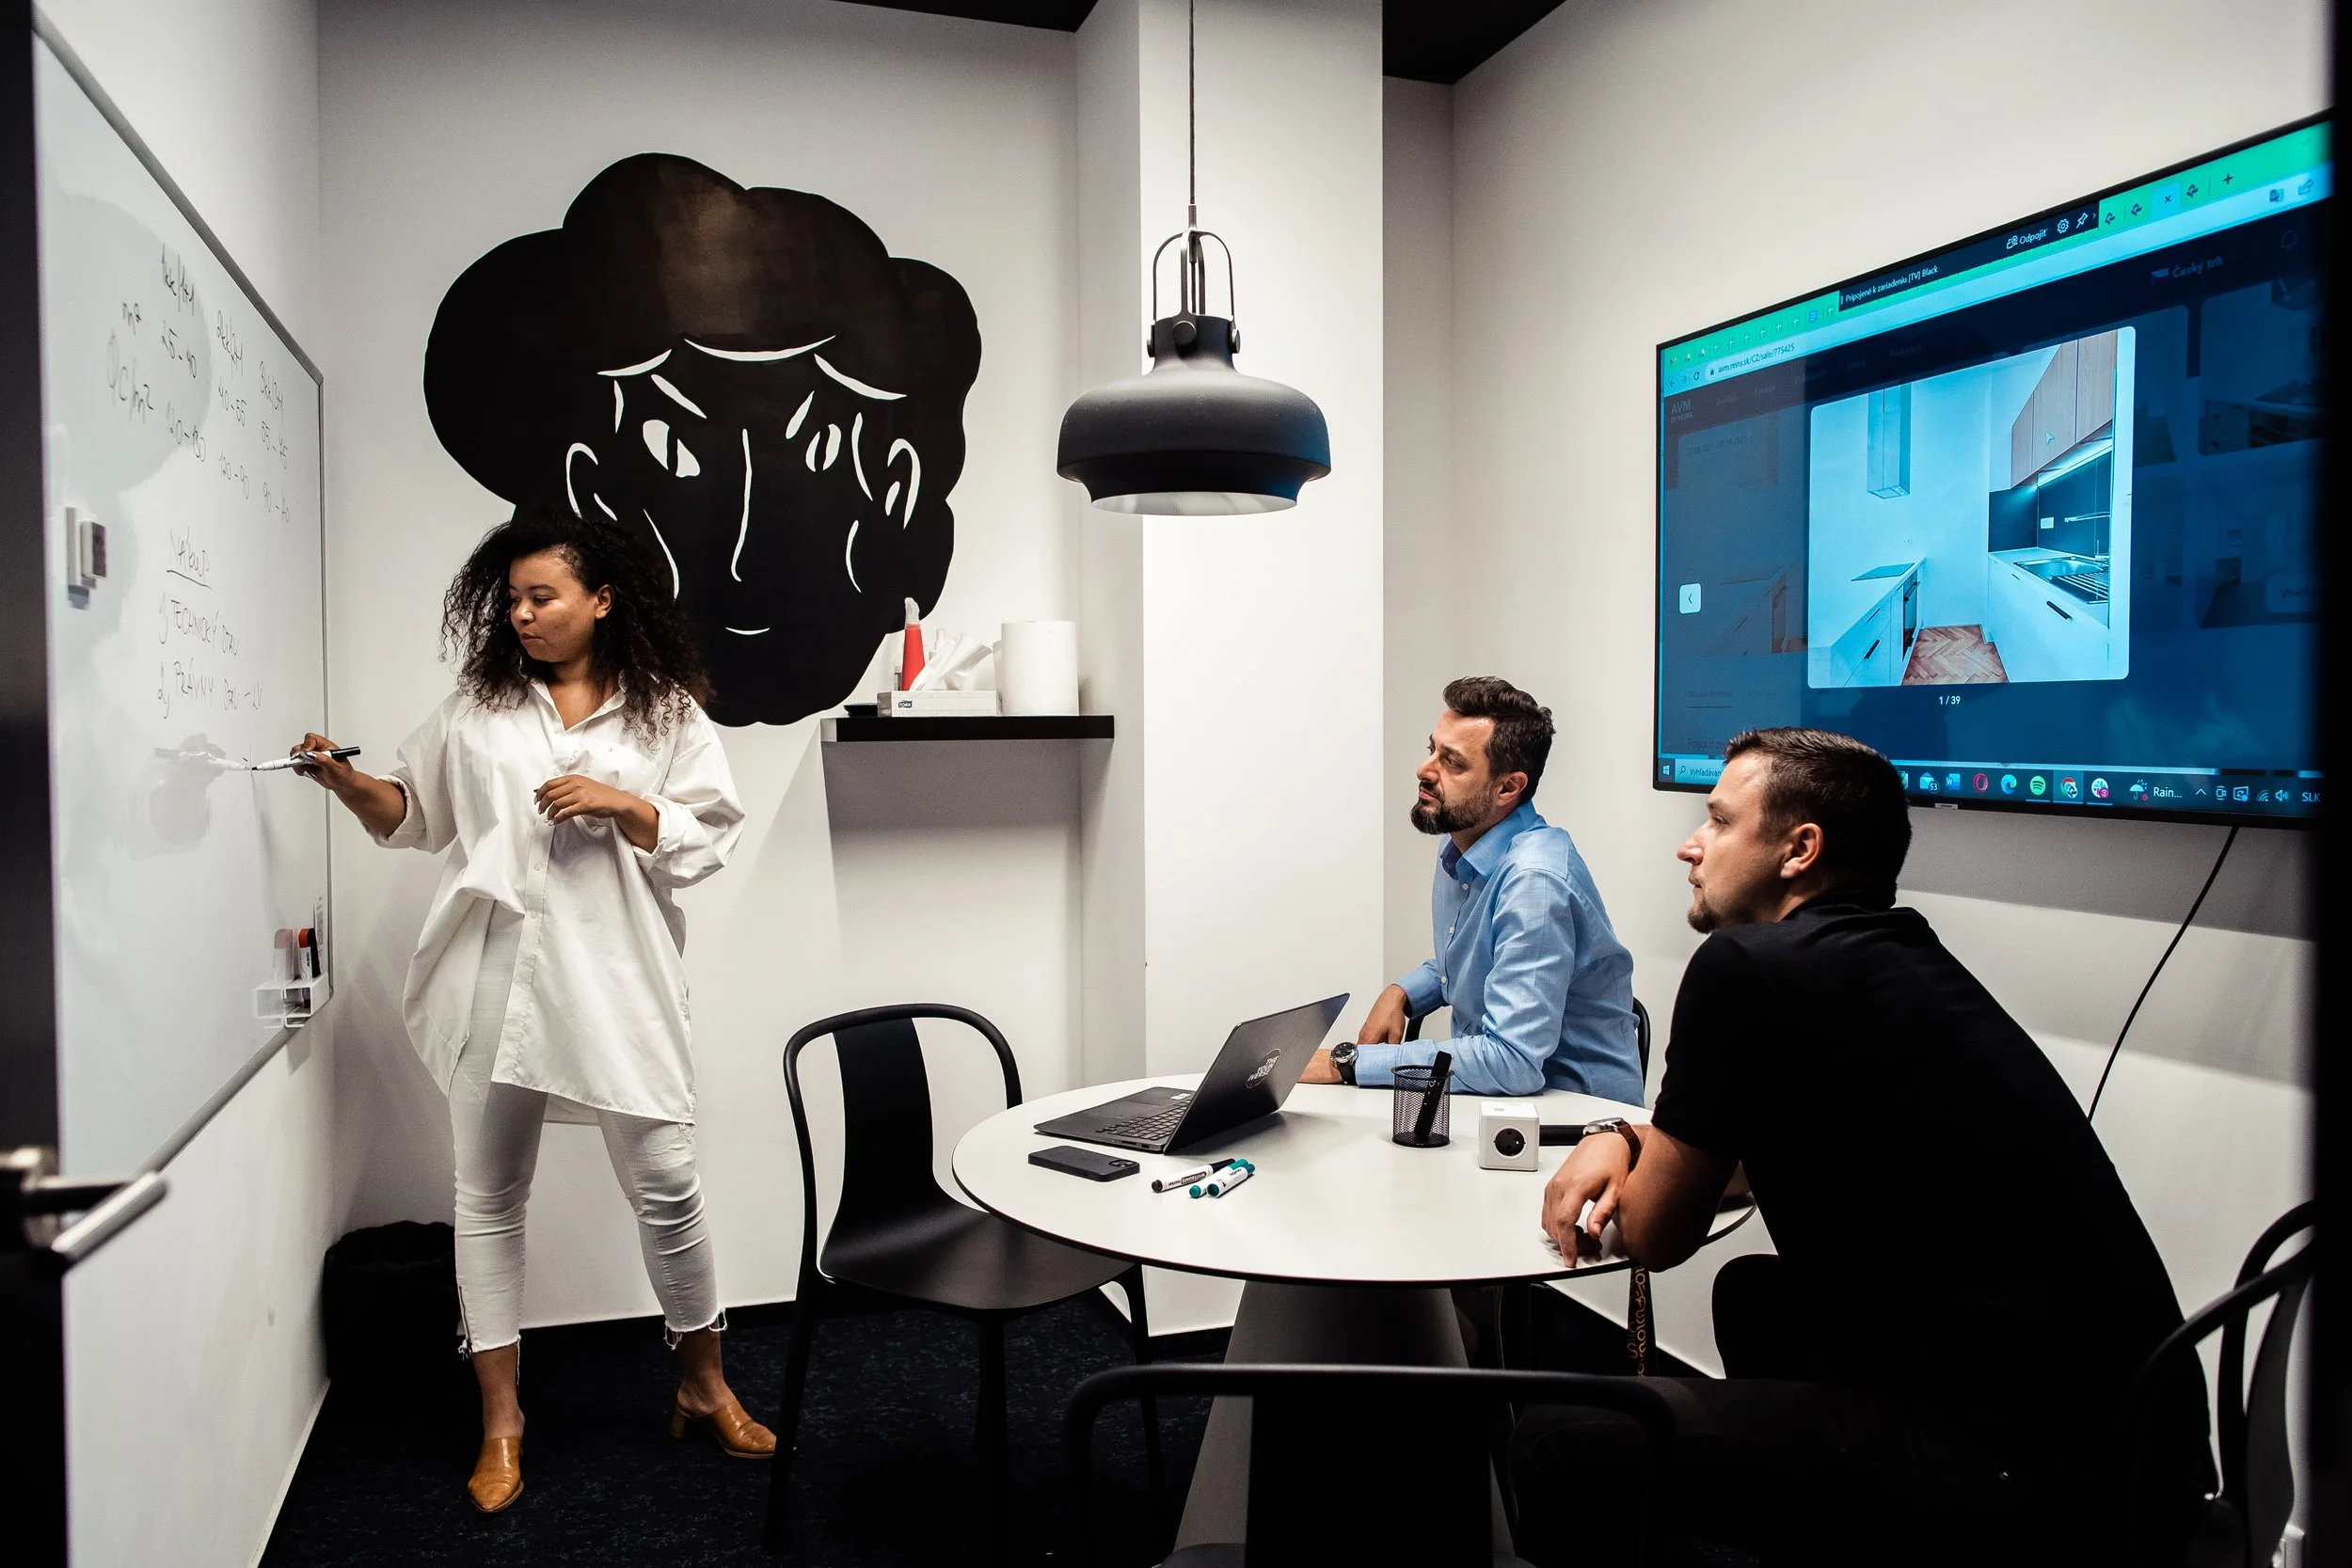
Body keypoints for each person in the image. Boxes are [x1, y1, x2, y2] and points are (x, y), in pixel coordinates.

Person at [1517, 728, 2213, 1567]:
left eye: (1720, 821)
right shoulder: (1893, 953)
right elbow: (1751, 1154)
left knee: (1559, 1436)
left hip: (2035, 1478)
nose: (1689, 844)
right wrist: (1627, 1133)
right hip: (2136, 1442)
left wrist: (1618, 1146)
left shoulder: (1744, 967)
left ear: (1798, 849)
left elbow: (1658, 1236)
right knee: (1753, 1293)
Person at [293, 500, 772, 1514]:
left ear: (602, 600)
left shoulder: (663, 713)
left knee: (669, 1183)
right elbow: (414, 816)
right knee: (489, 1197)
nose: (520, 613)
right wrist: (344, 782)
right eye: (510, 598)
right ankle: (502, 1420)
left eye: (541, 595)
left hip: (620, 974)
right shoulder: (479, 706)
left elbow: (710, 833)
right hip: (496, 978)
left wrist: (626, 803)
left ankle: (704, 1380)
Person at [1303, 676, 1642, 1103]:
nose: (1424, 771)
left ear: (1507, 787)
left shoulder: (1534, 882)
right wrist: (1403, 992)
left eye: (1452, 762)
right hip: (1498, 1104)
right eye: (1432, 751)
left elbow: (1511, 1060)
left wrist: (1347, 1063)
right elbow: (1469, 961)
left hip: (1575, 1125)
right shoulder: (1462, 846)